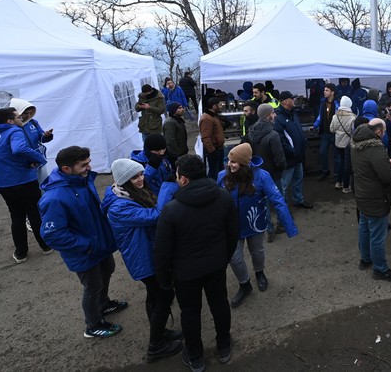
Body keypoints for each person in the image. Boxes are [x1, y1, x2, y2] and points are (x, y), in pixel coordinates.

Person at [154, 155, 240, 370]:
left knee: (190, 313)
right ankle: (224, 346)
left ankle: (195, 357)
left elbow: (162, 250)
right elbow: (232, 234)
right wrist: (224, 258)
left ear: (183, 180)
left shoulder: (171, 209)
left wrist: (163, 277)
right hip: (216, 266)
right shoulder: (224, 197)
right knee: (220, 304)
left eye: (176, 175)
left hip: (185, 273)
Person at [38, 146, 127, 339]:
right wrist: (87, 245)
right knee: (93, 286)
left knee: (107, 271)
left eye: (89, 162)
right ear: (66, 169)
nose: (89, 167)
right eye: (84, 164)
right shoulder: (55, 198)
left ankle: (103, 304)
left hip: (99, 245)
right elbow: (52, 234)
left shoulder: (82, 181)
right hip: (85, 251)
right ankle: (93, 325)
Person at [101, 159, 183, 363]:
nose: (141, 179)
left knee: (155, 296)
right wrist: (168, 186)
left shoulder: (124, 193)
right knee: (164, 295)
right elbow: (156, 215)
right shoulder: (119, 207)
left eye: (141, 174)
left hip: (146, 254)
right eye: (135, 177)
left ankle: (161, 332)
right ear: (124, 181)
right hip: (143, 259)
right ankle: (155, 345)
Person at [217, 144, 298, 308]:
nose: (229, 164)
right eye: (229, 160)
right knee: (234, 257)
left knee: (257, 251)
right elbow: (214, 200)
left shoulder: (261, 176)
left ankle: (259, 272)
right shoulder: (222, 176)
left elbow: (277, 200)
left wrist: (290, 226)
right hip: (231, 226)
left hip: (255, 223)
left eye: (234, 161)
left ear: (245, 163)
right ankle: (244, 284)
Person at [0, 106, 52, 263]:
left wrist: (2, 161)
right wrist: (39, 159)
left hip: (3, 184)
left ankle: (21, 253)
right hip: (24, 181)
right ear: (10, 121)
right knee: (34, 213)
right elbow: (19, 148)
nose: (21, 119)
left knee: (16, 216)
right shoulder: (15, 131)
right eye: (18, 117)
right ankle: (46, 246)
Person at [351, 119, 391, 281]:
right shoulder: (376, 147)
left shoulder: (356, 142)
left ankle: (365, 259)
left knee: (364, 228)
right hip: (376, 197)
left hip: (362, 194)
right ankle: (380, 269)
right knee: (378, 236)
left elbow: (368, 165)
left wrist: (384, 163)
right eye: (384, 131)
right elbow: (386, 176)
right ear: (378, 131)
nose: (385, 134)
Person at [246, 103, 287, 243]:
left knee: (263, 203)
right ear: (267, 115)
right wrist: (282, 167)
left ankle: (268, 230)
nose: (275, 115)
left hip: (258, 173)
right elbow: (279, 157)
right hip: (273, 174)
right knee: (279, 199)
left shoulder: (251, 131)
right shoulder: (273, 135)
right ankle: (281, 224)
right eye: (273, 113)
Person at [275, 91, 313, 209]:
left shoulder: (293, 114)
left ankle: (298, 200)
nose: (294, 100)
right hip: (289, 157)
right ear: (285, 101)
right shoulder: (278, 118)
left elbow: (298, 131)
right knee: (284, 184)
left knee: (298, 179)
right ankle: (283, 207)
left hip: (298, 156)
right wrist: (292, 151)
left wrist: (303, 142)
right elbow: (281, 139)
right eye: (292, 99)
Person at [9, 97, 54, 182]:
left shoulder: (33, 122)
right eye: (25, 113)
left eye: (30, 113)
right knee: (29, 189)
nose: (28, 115)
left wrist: (47, 135)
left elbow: (41, 138)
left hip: (39, 160)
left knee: (43, 185)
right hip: (23, 163)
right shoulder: (10, 126)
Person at [329, 96, 357, 194]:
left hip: (338, 143)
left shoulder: (335, 116)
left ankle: (338, 182)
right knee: (347, 165)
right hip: (348, 144)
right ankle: (346, 186)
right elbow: (354, 133)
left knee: (341, 162)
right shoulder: (353, 117)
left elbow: (331, 129)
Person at [312, 83, 338, 181]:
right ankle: (325, 171)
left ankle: (336, 175)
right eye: (324, 90)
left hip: (334, 133)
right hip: (325, 133)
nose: (324, 92)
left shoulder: (337, 104)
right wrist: (315, 125)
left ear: (332, 92)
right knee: (322, 152)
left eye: (327, 90)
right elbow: (320, 116)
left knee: (336, 155)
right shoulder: (323, 103)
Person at [199, 97, 225, 180]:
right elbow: (206, 137)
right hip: (214, 150)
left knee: (220, 171)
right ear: (214, 106)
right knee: (214, 172)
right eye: (220, 105)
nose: (221, 106)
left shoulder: (213, 116)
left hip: (218, 148)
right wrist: (212, 151)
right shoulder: (207, 118)